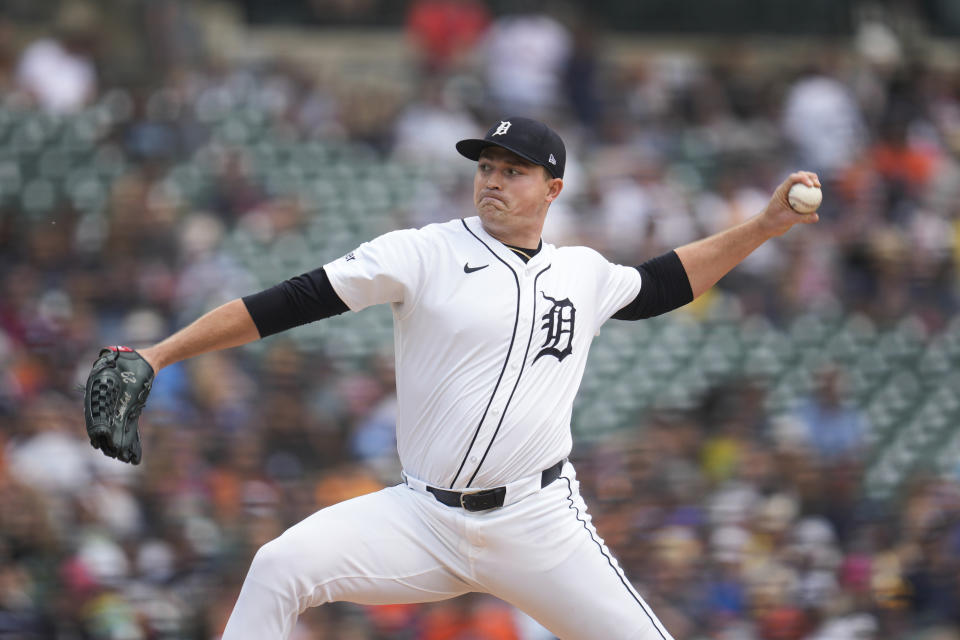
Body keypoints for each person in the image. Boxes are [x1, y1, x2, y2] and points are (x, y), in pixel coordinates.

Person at [103, 117, 820, 639]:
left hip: (539, 524)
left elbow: (664, 283)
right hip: (423, 517)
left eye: (512, 170)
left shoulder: (583, 272)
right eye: (486, 167)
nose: (493, 180)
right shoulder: (424, 252)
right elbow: (292, 300)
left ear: (553, 188)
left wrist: (761, 226)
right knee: (277, 566)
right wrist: (161, 353)